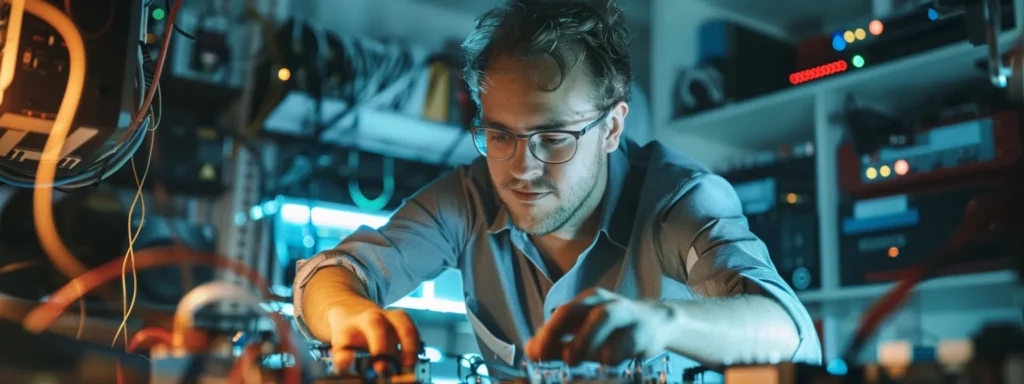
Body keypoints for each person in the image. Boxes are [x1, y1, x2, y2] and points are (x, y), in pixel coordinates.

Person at [294, 0, 822, 377]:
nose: (522, 167)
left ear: (613, 128)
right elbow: (331, 275)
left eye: (552, 137)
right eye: (500, 134)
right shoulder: (469, 197)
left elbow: (793, 335)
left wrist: (656, 322)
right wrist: (351, 313)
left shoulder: (680, 202)